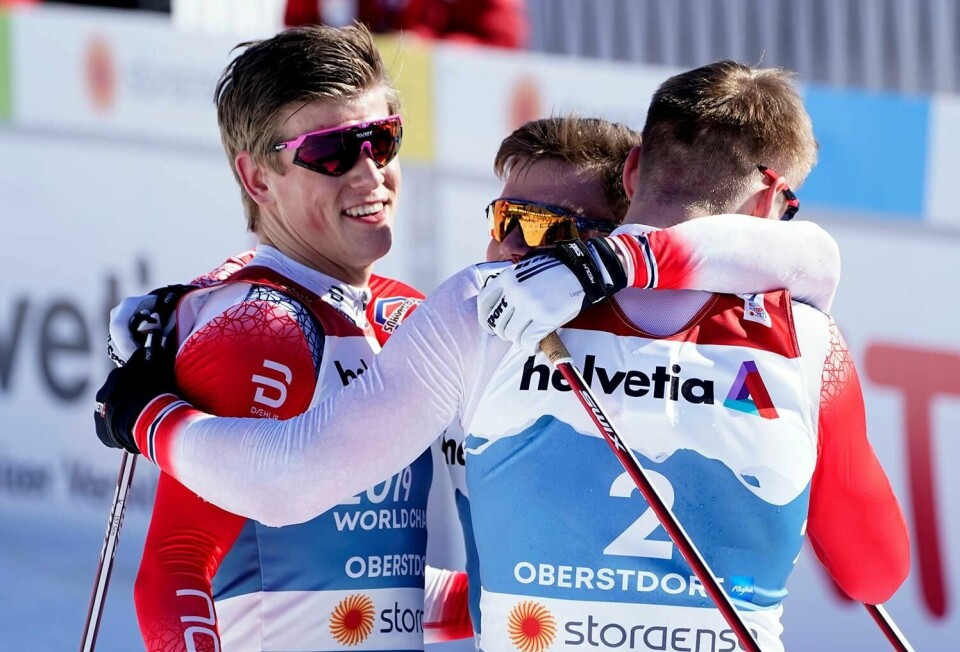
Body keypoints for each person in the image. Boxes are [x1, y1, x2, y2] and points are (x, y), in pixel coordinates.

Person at [95, 63, 889, 651]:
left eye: (553, 234)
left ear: (632, 183)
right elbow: (873, 572)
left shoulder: (474, 312)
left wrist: (146, 416)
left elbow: (301, 496)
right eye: (506, 217)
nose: (516, 251)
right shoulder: (808, 338)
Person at [117, 23, 478, 652]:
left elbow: (364, 589)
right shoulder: (260, 327)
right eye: (332, 153)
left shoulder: (402, 313)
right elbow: (173, 573)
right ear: (258, 179)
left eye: (382, 140)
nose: (371, 176)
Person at [284, 0, 528, 49]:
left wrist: (426, 45)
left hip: (443, 115)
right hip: (348, 107)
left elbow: (502, 39)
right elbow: (295, 30)